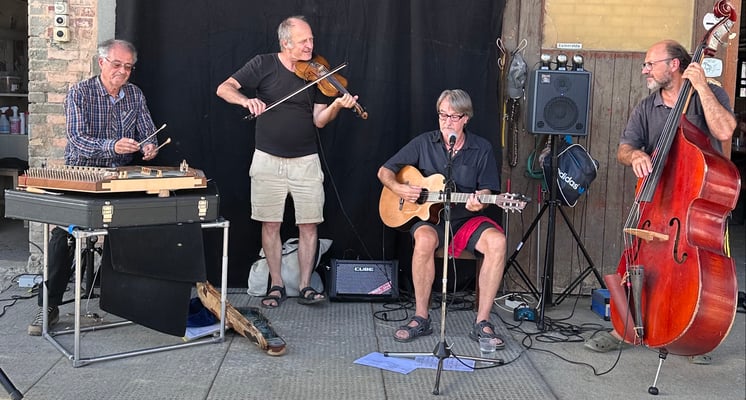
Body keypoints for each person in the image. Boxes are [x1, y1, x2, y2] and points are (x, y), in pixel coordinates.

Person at [584, 40, 737, 365]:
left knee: (694, 273)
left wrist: (701, 87)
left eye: (650, 64)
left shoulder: (709, 94)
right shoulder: (646, 107)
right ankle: (625, 329)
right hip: (657, 207)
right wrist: (636, 156)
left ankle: (693, 334)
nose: (645, 70)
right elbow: (624, 149)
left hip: (693, 214)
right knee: (643, 262)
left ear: (674, 65)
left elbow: (725, 132)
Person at [216, 16, 358, 308]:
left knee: (309, 224)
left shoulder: (317, 73)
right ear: (285, 43)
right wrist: (246, 101)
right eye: (303, 41)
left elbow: (319, 120)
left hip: (306, 161)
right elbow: (224, 88)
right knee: (270, 224)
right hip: (267, 159)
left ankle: (305, 285)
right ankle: (277, 284)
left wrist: (335, 106)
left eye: (311, 40)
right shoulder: (263, 64)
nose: (310, 46)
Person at [27, 39, 159, 335]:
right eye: (117, 64)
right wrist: (112, 145)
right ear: (101, 63)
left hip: (120, 175)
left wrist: (150, 145)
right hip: (82, 174)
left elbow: (147, 131)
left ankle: (131, 298)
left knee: (143, 224)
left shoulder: (135, 94)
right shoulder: (80, 93)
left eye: (128, 67)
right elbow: (77, 139)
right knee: (64, 235)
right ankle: (49, 305)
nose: (123, 71)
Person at [377, 89, 507, 347]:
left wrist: (480, 199)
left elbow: (487, 189)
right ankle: (421, 317)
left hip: (466, 219)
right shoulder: (424, 143)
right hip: (432, 220)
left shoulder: (481, 148)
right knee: (424, 240)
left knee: (498, 242)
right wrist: (399, 188)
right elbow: (384, 171)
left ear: (466, 118)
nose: (447, 121)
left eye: (453, 116)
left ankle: (482, 322)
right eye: (442, 115)